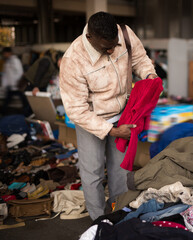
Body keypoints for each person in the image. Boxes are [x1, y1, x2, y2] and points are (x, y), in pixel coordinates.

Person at [59, 12, 157, 220]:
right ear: (90, 38)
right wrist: (111, 130)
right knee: (93, 173)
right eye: (106, 48)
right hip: (92, 120)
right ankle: (98, 221)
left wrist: (150, 76)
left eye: (115, 45)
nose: (112, 50)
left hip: (123, 115)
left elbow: (140, 60)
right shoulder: (73, 60)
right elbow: (76, 109)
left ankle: (118, 213)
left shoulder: (125, 35)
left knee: (121, 171)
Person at [0, 47, 26, 116]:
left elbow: (20, 72)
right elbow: (5, 75)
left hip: (16, 85)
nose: (5, 55)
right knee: (9, 100)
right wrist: (4, 85)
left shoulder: (15, 61)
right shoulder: (7, 62)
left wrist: (17, 82)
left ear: (9, 53)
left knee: (22, 99)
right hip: (11, 86)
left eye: (5, 53)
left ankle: (26, 112)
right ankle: (3, 112)